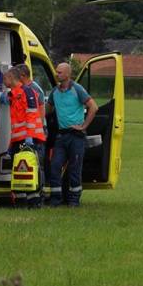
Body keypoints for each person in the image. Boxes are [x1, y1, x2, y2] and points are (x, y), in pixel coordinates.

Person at [46, 62, 97, 207]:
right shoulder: (55, 92)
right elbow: (47, 110)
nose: (57, 74)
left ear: (68, 74)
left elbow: (93, 107)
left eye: (60, 72)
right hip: (61, 136)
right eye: (57, 72)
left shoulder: (77, 89)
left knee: (75, 168)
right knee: (55, 166)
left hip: (76, 136)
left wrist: (83, 126)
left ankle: (74, 201)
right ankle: (56, 199)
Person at [2, 67, 36, 204]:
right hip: (17, 139)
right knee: (18, 171)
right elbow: (5, 101)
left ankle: (33, 201)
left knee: (29, 169)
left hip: (26, 139)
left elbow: (32, 114)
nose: (3, 81)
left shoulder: (26, 91)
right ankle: (21, 201)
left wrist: (30, 137)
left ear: (11, 77)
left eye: (4, 78)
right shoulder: (13, 93)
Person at [16, 63, 48, 203]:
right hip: (30, 132)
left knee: (37, 164)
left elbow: (39, 114)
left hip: (35, 133)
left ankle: (38, 195)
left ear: (23, 76)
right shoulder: (24, 88)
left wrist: (33, 133)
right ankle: (29, 194)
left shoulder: (34, 89)